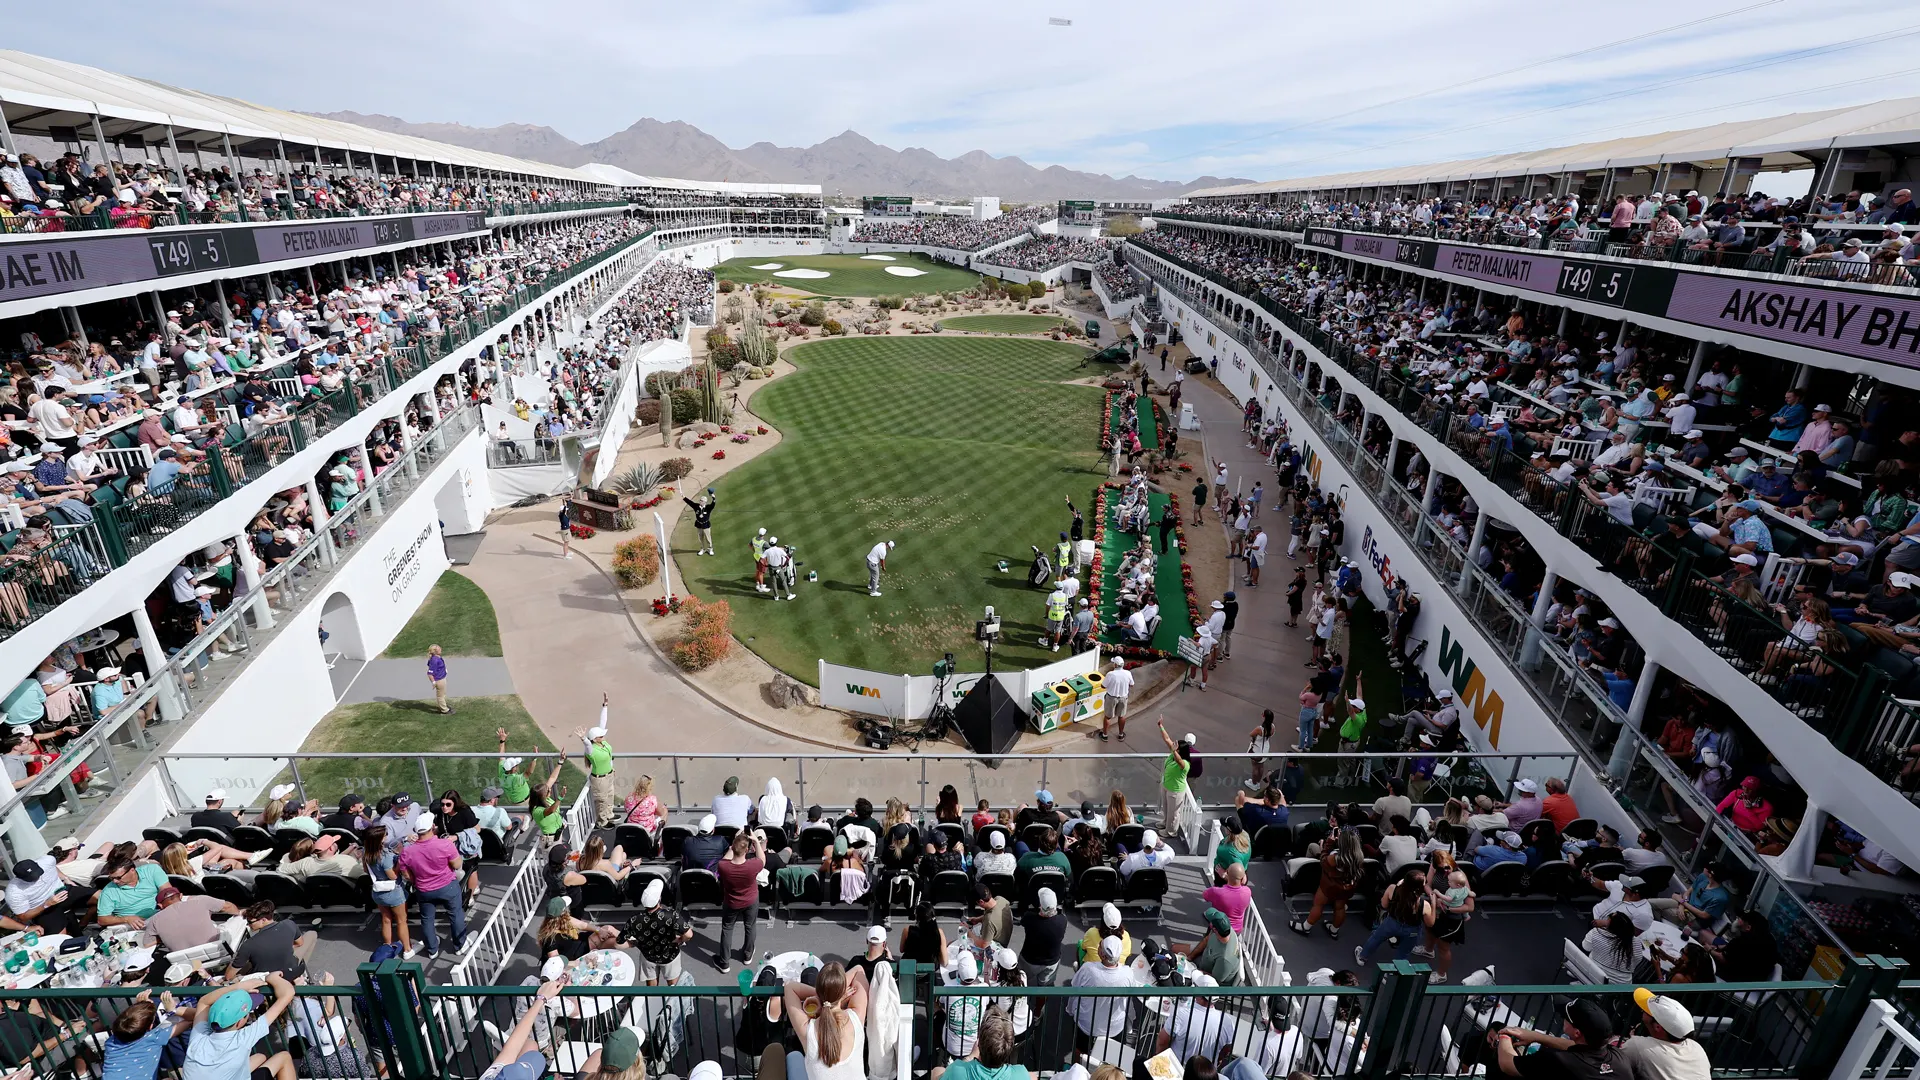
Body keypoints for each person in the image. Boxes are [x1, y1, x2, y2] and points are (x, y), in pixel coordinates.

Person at [183, 972, 298, 1080]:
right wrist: (272, 978)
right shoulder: (243, 1039)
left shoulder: (198, 1037)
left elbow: (203, 1002)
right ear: (239, 1022)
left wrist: (238, 987)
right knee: (284, 1057)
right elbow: (288, 993)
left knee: (260, 1057)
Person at [1488, 997, 1629, 1080]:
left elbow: (1507, 1064)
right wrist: (1537, 1037)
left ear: (1577, 1032)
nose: (1563, 1019)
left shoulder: (1557, 1060)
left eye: (1566, 1018)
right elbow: (1576, 1047)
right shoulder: (1619, 1057)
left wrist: (1504, 1035)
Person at [784, 962, 869, 1080]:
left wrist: (823, 997)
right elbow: (858, 969)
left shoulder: (807, 1029)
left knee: (793, 1057)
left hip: (830, 996)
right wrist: (835, 996)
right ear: (843, 990)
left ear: (819, 990)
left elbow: (789, 987)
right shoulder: (856, 1017)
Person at [397, 817, 466, 957]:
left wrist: (418, 881)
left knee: (427, 919)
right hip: (448, 887)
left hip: (424, 890)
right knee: (455, 914)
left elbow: (406, 875)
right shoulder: (445, 844)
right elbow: (457, 865)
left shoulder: (407, 851)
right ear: (433, 827)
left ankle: (432, 950)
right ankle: (460, 945)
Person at [1623, 988, 1711, 1080]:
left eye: (1646, 1011)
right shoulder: (1696, 1047)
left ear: (1657, 1027)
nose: (1642, 1011)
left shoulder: (1637, 1046)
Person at [1068, 935, 1138, 1048]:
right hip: (1114, 1028)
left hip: (1086, 1024)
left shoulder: (1087, 969)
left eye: (1100, 946)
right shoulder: (1128, 973)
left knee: (1080, 1051)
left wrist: (1070, 1010)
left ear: (1102, 954)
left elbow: (1074, 990)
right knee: (1111, 1059)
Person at [714, 830, 766, 974]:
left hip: (731, 902)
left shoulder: (723, 866)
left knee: (727, 929)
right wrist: (755, 840)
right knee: (750, 926)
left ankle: (724, 963)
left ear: (733, 848)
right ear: (747, 850)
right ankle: (747, 955)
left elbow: (727, 856)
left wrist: (735, 841)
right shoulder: (752, 865)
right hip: (750, 900)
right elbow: (762, 859)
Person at [932, 1004, 1028, 1080]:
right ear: (1010, 1047)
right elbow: (1032, 1076)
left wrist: (969, 1057)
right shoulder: (1021, 1074)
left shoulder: (957, 1071)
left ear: (979, 1043)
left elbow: (934, 1074)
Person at [146, 885, 238, 952]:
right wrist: (238, 913)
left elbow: (147, 944)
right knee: (241, 917)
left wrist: (165, 935)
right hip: (217, 949)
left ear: (160, 905)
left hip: (184, 960)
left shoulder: (154, 920)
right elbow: (229, 907)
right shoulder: (201, 900)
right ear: (181, 896)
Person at [578, 701, 618, 827]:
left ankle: (609, 814)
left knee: (610, 795)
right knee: (602, 800)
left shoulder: (603, 743)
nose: (604, 735)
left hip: (609, 774)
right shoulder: (591, 750)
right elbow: (587, 744)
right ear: (595, 739)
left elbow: (602, 723)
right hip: (599, 779)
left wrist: (605, 706)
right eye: (601, 735)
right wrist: (583, 738)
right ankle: (602, 821)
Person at [1019, 887, 1067, 985]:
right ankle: (1041, 1000)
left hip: (1029, 960)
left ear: (1040, 905)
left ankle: (1021, 999)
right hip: (1052, 962)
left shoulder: (1029, 918)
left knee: (1021, 981)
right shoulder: (1062, 920)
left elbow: (1023, 921)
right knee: (1044, 988)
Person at [1157, 720, 1195, 839]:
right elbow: (1167, 739)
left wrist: (1173, 750)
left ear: (1179, 751)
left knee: (1173, 813)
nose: (1173, 746)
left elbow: (1179, 761)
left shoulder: (1185, 764)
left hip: (1175, 790)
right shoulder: (1174, 754)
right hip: (1167, 785)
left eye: (1176, 746)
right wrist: (1161, 726)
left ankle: (1171, 831)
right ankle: (1165, 823)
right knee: (1166, 808)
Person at [1187, 907, 1243, 985]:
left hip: (1211, 978)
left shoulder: (1225, 959)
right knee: (1175, 948)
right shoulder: (1225, 929)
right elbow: (1205, 940)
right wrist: (1190, 957)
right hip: (1205, 957)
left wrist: (1193, 971)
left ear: (1214, 929)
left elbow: (1213, 979)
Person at [1101, 657, 1133, 741]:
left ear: (1115, 665)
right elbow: (1132, 684)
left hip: (1111, 697)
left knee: (1108, 717)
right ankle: (1121, 735)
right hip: (1123, 698)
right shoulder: (1128, 673)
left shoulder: (1110, 674)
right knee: (1121, 716)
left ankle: (1104, 735)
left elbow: (1103, 686)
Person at [685, 488, 717, 555]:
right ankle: (702, 549)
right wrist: (684, 497)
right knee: (700, 538)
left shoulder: (708, 508)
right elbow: (690, 503)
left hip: (706, 525)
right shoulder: (696, 506)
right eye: (700, 500)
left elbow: (713, 505)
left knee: (708, 538)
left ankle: (710, 549)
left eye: (702, 501)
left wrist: (713, 498)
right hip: (699, 525)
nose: (700, 502)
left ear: (705, 502)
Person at [425, 643, 451, 715]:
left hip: (442, 678)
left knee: (443, 694)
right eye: (439, 648)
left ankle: (443, 706)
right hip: (439, 680)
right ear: (436, 651)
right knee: (440, 696)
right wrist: (433, 682)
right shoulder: (435, 660)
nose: (441, 649)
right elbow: (430, 673)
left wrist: (444, 670)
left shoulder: (437, 657)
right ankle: (444, 710)